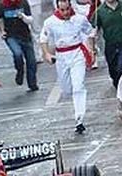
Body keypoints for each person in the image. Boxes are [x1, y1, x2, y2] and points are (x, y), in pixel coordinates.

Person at [40, 0, 95, 134]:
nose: (65, 13)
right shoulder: (50, 22)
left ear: (70, 7)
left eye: (67, 9)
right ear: (58, 8)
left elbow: (90, 32)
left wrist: (91, 50)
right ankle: (77, 111)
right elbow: (43, 39)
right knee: (66, 89)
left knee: (78, 86)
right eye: (62, 10)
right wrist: (46, 53)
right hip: (61, 56)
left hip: (77, 53)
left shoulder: (79, 19)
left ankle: (79, 118)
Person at [0, 0, 39, 91]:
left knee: (31, 61)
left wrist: (23, 17)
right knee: (17, 53)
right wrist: (2, 31)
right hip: (11, 35)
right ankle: (20, 70)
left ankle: (32, 84)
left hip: (25, 35)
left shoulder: (23, 3)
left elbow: (30, 20)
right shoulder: (1, 6)